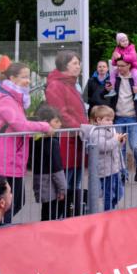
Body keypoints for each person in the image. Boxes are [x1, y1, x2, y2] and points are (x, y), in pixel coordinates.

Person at [0, 61, 53, 222]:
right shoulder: (6, 101)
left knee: (14, 201)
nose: (28, 81)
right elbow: (20, 125)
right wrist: (44, 126)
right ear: (12, 78)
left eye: (28, 77)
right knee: (11, 202)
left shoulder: (12, 98)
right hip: (6, 159)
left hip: (11, 156)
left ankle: (0, 227)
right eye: (24, 77)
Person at [45, 50, 89, 190]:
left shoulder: (70, 84)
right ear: (65, 65)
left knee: (74, 186)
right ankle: (64, 211)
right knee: (65, 187)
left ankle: (71, 211)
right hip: (66, 141)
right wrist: (82, 128)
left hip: (76, 140)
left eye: (79, 63)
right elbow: (60, 114)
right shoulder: (56, 85)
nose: (78, 66)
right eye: (75, 63)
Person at [108, 58, 137, 181]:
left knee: (134, 146)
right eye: (118, 66)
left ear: (129, 66)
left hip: (133, 117)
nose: (119, 68)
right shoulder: (114, 78)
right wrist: (106, 90)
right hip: (118, 117)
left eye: (122, 66)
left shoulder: (136, 78)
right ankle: (123, 173)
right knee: (120, 147)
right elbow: (103, 93)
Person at [81, 105, 126, 210]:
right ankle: (108, 211)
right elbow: (103, 147)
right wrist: (115, 139)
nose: (111, 122)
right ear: (98, 120)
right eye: (108, 120)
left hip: (114, 167)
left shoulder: (111, 129)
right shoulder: (96, 132)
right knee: (109, 194)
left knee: (119, 192)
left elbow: (114, 147)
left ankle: (110, 208)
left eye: (112, 120)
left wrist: (120, 141)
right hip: (105, 170)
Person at [31, 104, 67, 221]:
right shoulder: (53, 143)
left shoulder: (35, 140)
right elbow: (57, 168)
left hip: (40, 180)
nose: (60, 125)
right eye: (56, 121)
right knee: (52, 213)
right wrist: (62, 189)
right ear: (45, 123)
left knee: (46, 212)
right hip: (50, 184)